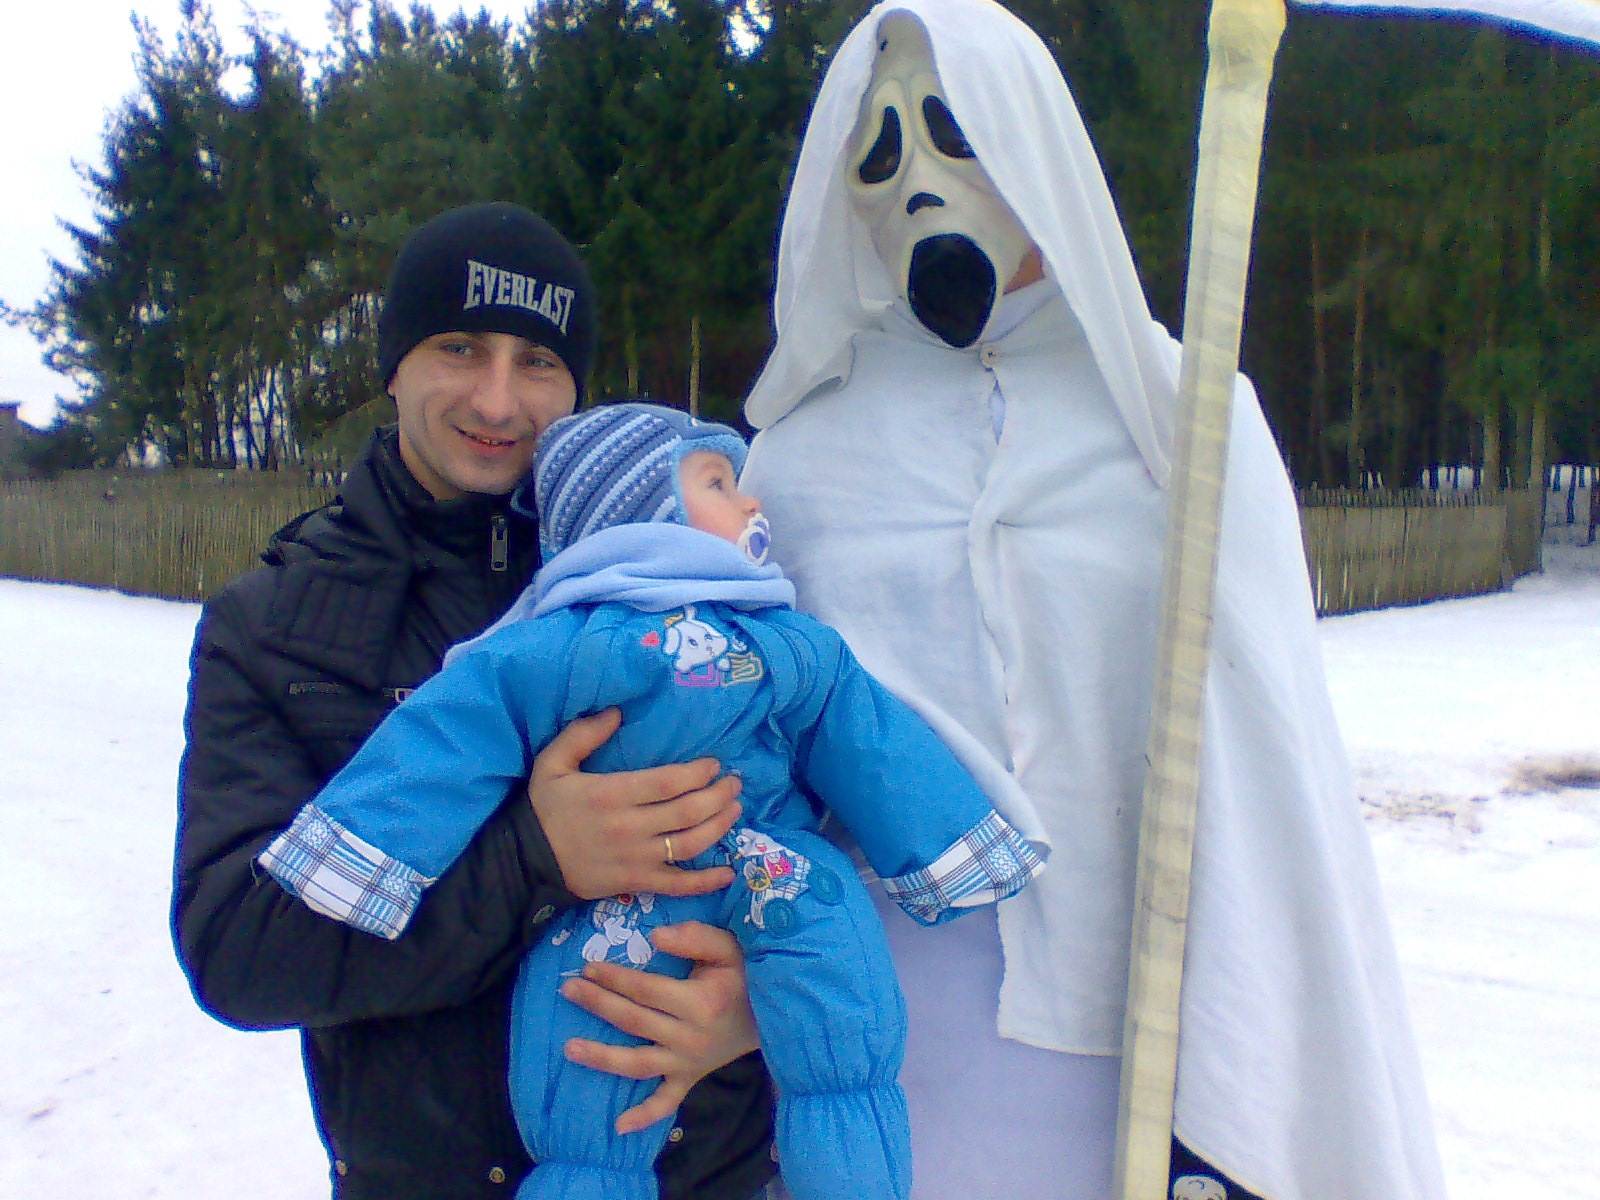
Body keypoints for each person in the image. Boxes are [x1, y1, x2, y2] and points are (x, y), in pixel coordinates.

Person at [739, 3, 1448, 1199]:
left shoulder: (1182, 417)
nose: (917, 183)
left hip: (1142, 1036)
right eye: (877, 153)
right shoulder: (798, 459)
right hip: (880, 1049)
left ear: (1029, 139)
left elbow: (1268, 769)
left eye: (953, 132)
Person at [257, 401, 1044, 1200]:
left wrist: (941, 842)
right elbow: (452, 733)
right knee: (594, 1090)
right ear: (649, 512)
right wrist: (367, 850)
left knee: (842, 1028)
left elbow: (866, 738)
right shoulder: (564, 644)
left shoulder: (784, 639)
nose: (751, 502)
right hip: (615, 902)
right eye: (717, 484)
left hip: (775, 876)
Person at [172, 203, 776, 1200]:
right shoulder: (274, 625)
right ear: (394, 364)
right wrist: (534, 860)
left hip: (702, 1173)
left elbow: (820, 825)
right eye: (459, 347)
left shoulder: (697, 578)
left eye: (536, 361)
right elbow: (241, 950)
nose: (498, 400)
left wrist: (756, 1003)